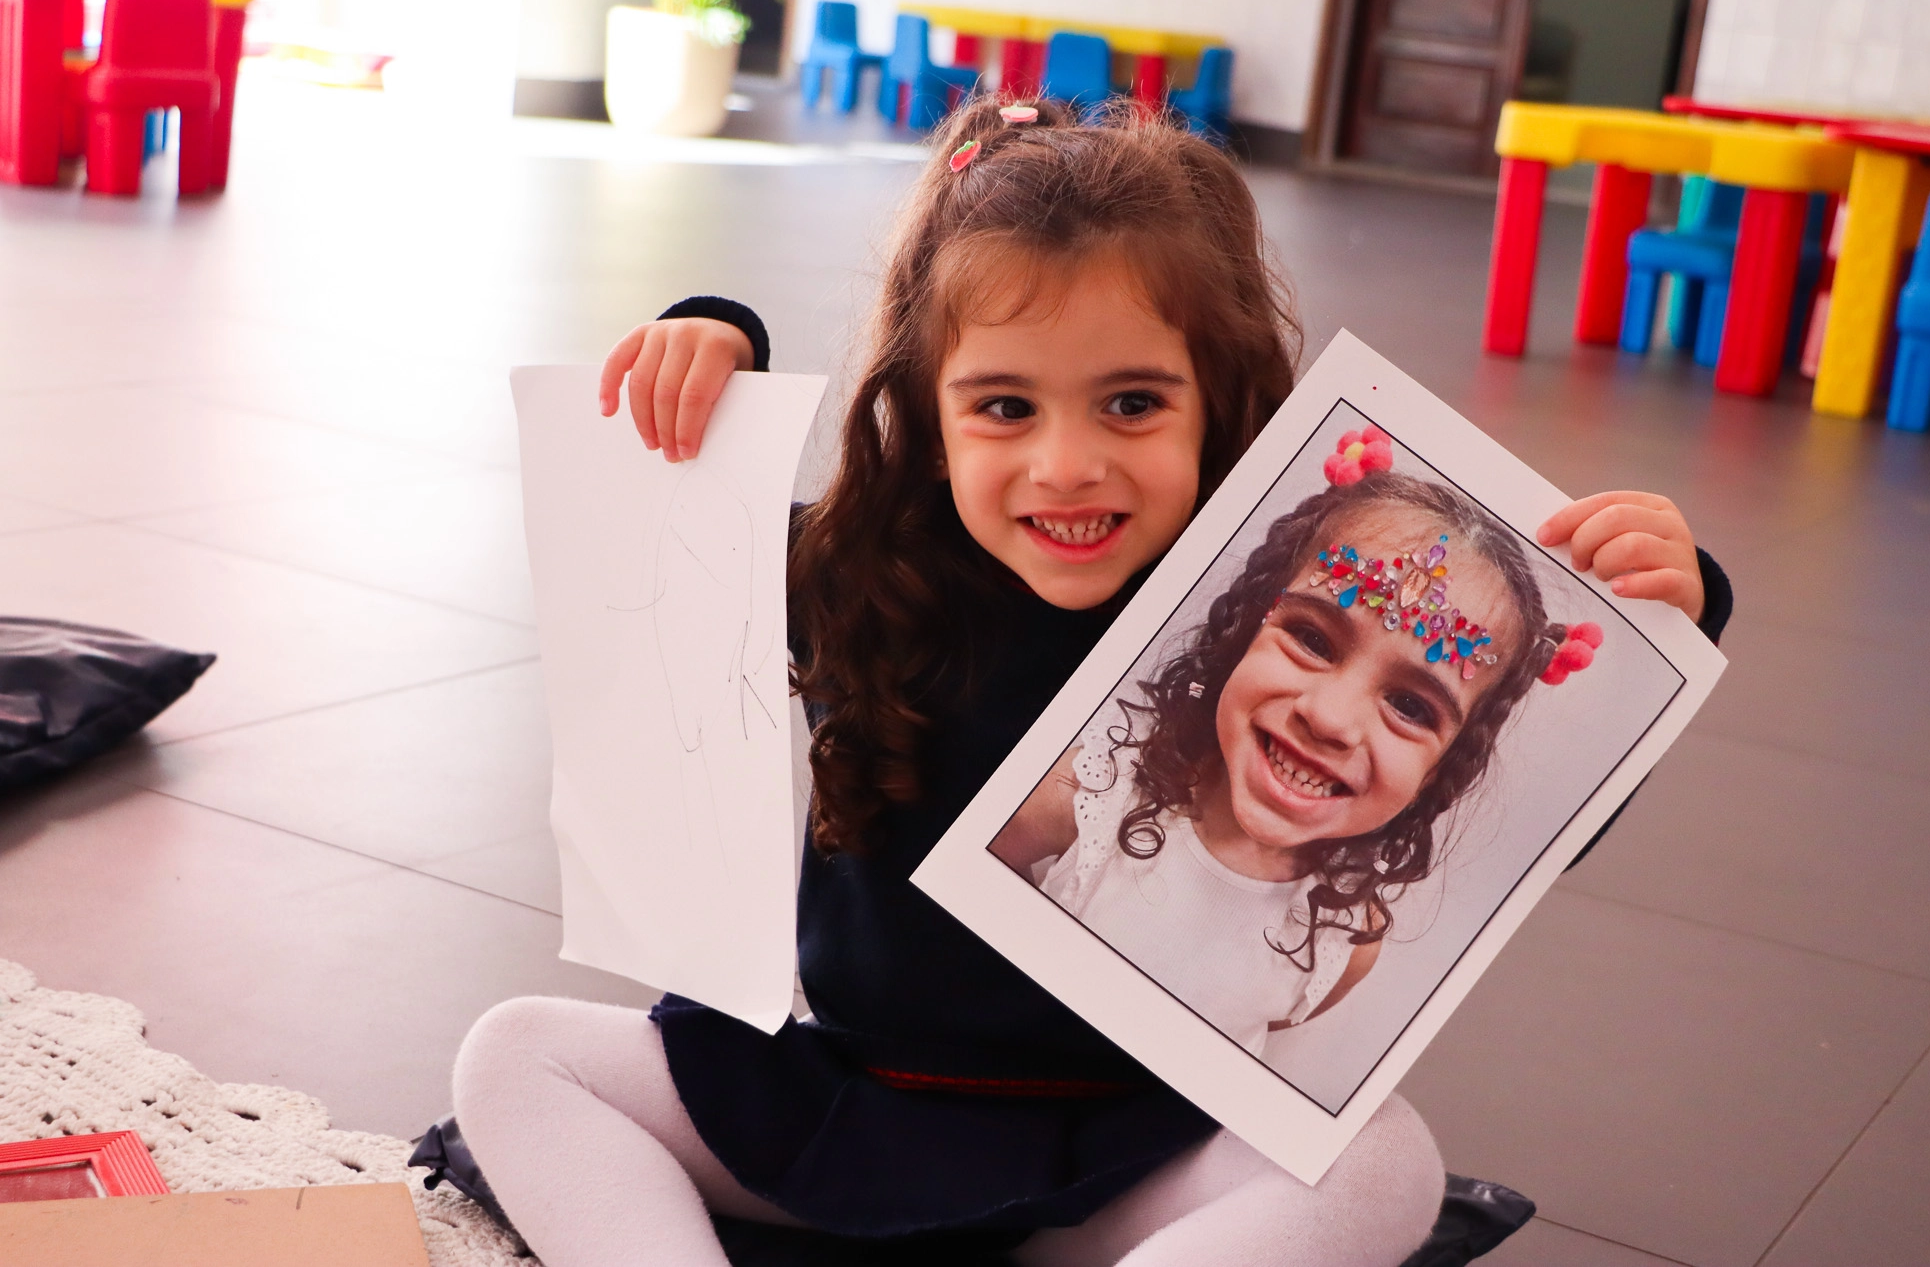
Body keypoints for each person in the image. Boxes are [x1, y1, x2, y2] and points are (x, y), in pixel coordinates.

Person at [448, 96, 1734, 1267]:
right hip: (841, 1105)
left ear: (1216, 404)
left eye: (1129, 404)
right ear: (925, 412)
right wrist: (711, 337)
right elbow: (659, 535)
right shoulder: (856, 574)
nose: (1066, 465)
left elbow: (1501, 827)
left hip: (1127, 1154)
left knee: (1378, 1162)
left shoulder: (1260, 621)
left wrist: (1667, 611)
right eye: (1003, 408)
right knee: (517, 1053)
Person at [994, 438, 1613, 1056]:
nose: (1329, 719)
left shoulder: (1346, 942)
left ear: (1439, 770)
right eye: (1313, 641)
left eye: (1410, 707)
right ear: (1247, 633)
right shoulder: (1083, 794)